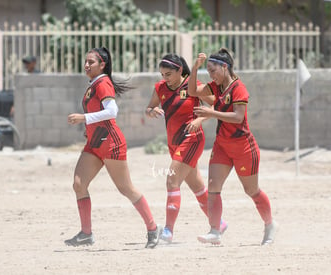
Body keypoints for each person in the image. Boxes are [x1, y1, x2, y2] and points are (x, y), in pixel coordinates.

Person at [65, 47, 161, 248]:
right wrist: (88, 128)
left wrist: (84, 118)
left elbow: (111, 111)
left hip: (111, 143)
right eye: (86, 61)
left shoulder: (103, 83)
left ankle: (153, 228)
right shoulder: (94, 84)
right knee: (78, 184)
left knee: (125, 188)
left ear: (102, 65)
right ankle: (86, 233)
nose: (86, 65)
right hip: (95, 142)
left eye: (91, 62)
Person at [188, 48, 278, 245]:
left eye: (213, 70)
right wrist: (194, 68)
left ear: (224, 67)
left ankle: (270, 224)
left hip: (244, 147)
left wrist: (211, 114)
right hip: (222, 145)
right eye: (208, 71)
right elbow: (193, 91)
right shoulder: (216, 87)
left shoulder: (239, 88)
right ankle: (215, 231)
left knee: (251, 191)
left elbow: (238, 118)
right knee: (213, 187)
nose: (210, 75)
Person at [145, 53, 228, 243]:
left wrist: (200, 119)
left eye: (168, 74)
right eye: (162, 74)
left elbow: (219, 105)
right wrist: (151, 111)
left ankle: (168, 231)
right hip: (174, 143)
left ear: (179, 70)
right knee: (197, 187)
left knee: (171, 180)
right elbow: (148, 108)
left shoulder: (192, 85)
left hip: (192, 139)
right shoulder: (160, 88)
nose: (164, 78)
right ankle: (219, 223)